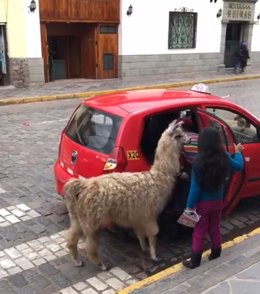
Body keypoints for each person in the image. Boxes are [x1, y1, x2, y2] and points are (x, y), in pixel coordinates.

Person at [182, 126, 244, 269]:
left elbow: (195, 189)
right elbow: (239, 167)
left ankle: (195, 260)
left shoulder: (198, 162)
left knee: (199, 230)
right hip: (218, 201)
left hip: (202, 204)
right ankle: (216, 251)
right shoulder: (224, 157)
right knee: (215, 227)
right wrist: (238, 152)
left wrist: (189, 207)